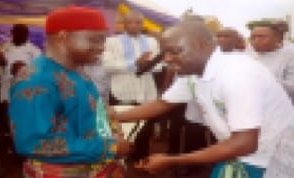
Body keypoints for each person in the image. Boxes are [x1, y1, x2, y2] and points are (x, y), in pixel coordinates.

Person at [114, 20, 294, 178]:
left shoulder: (237, 74)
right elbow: (162, 103)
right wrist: (113, 116)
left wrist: (172, 160)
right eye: (164, 53)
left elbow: (245, 143)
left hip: (267, 158)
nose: (167, 59)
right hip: (239, 152)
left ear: (201, 44)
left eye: (174, 51)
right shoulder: (194, 73)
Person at [9, 6, 131, 178]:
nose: (102, 47)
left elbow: (92, 110)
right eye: (95, 40)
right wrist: (109, 147)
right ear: (63, 37)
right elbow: (33, 143)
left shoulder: (76, 71)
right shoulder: (36, 82)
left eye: (103, 41)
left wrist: (110, 123)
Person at [102, 10, 161, 163]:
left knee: (145, 128)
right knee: (120, 127)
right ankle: (119, 160)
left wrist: (148, 65)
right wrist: (134, 64)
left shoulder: (152, 42)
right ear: (124, 24)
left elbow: (160, 66)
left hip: (146, 91)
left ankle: (140, 159)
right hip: (122, 91)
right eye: (130, 22)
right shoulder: (112, 41)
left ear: (143, 24)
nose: (134, 25)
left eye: (138, 22)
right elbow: (107, 65)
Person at [248, 19, 294, 102]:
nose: (256, 41)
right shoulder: (248, 54)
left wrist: (264, 79)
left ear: (278, 39)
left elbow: (292, 88)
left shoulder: (289, 55)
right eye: (253, 37)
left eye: (262, 37)